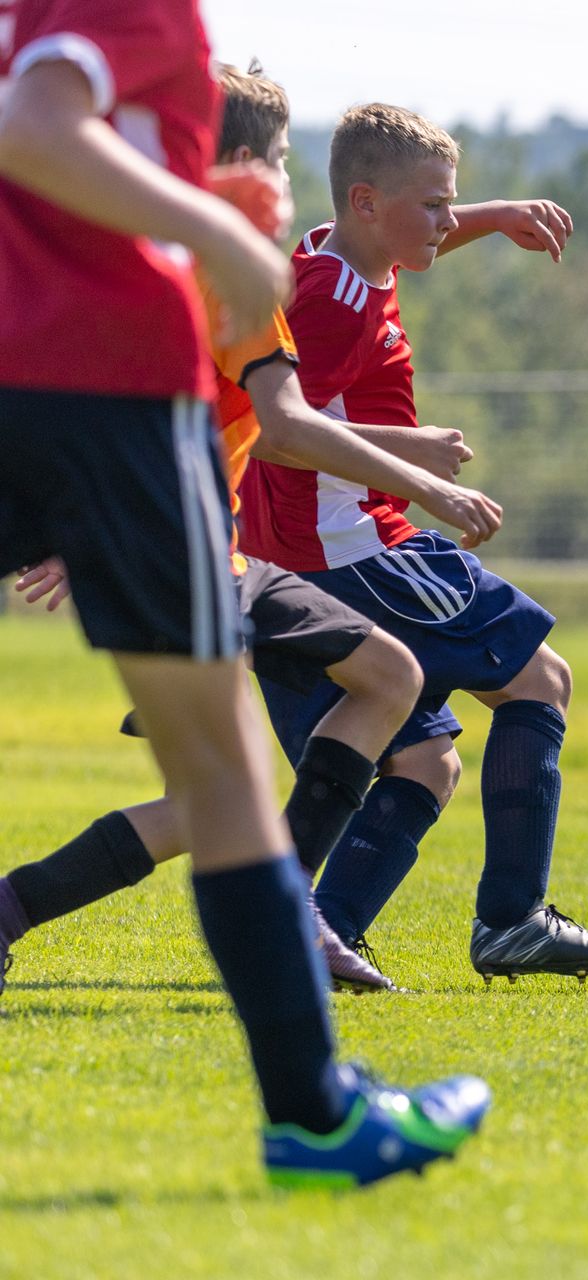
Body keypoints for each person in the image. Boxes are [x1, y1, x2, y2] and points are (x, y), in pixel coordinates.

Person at [0, 0, 486, 1184]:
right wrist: (212, 231)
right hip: (110, 391)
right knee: (225, 779)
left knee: (262, 751)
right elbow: (34, 129)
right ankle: (316, 1117)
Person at [239, 103, 588, 982]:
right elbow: (272, 429)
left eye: (448, 204)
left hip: (316, 556)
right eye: (434, 206)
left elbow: (406, 243)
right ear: (366, 201)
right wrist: (415, 463)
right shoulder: (333, 304)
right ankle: (511, 921)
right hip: (356, 551)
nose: (444, 220)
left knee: (427, 762)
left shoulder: (331, 255)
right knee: (542, 680)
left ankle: (319, 934)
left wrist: (492, 218)